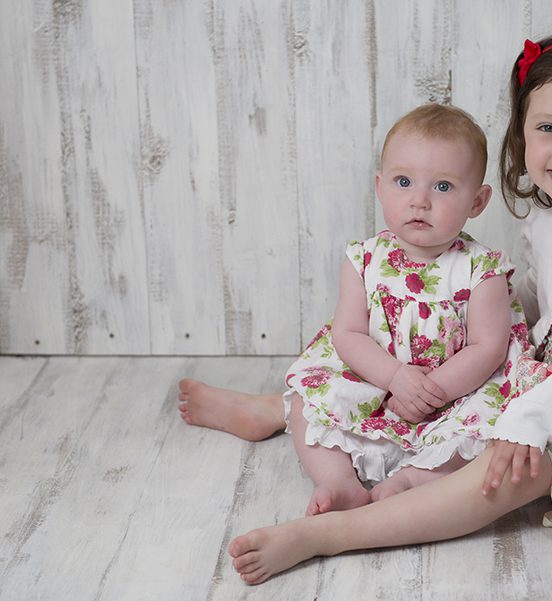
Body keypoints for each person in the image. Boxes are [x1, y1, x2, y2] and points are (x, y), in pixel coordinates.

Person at [224, 31, 552, 585]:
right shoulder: (548, 214)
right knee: (430, 381)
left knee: (502, 470)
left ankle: (329, 535)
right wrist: (472, 361)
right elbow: (536, 307)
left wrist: (523, 416)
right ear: (523, 134)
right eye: (548, 128)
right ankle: (283, 408)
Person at [179, 104, 528, 516]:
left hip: (453, 390)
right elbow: (348, 335)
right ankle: (337, 480)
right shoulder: (364, 258)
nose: (419, 201)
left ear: (478, 200)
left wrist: (433, 392)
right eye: (403, 182)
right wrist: (395, 376)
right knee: (311, 402)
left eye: (444, 187)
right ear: (380, 187)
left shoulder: (481, 269)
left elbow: (487, 349)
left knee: (491, 431)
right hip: (375, 376)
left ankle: (414, 478)